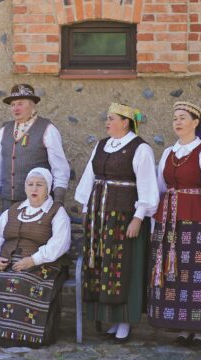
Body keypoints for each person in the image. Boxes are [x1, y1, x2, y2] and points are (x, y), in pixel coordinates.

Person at [75, 103, 159, 343]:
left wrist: (138, 217)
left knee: (122, 268)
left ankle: (125, 321)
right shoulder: (101, 145)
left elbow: (147, 185)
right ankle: (110, 318)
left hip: (123, 217)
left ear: (126, 122)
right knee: (102, 265)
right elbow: (89, 177)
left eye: (111, 118)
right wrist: (84, 207)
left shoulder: (140, 149)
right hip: (99, 216)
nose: (107, 122)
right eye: (107, 118)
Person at [147, 101, 201, 348]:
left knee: (197, 276)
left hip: (196, 223)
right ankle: (181, 326)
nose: (178, 122)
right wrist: (154, 222)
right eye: (175, 118)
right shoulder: (169, 152)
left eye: (182, 117)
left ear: (195, 122)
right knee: (174, 274)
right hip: (168, 223)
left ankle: (200, 329)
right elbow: (160, 189)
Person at [0, 167, 71, 347]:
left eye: (39, 185)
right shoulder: (14, 210)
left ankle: (23, 337)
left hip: (43, 263)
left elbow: (59, 244)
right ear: (24, 188)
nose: (34, 189)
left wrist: (33, 260)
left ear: (48, 188)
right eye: (30, 184)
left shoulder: (57, 212)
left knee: (19, 281)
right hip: (8, 260)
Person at [0, 84, 70, 212]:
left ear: (32, 105)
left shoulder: (47, 129)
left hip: (39, 202)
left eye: (20, 104)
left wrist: (58, 201)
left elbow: (60, 168)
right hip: (8, 203)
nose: (15, 108)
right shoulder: (4, 131)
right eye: (13, 105)